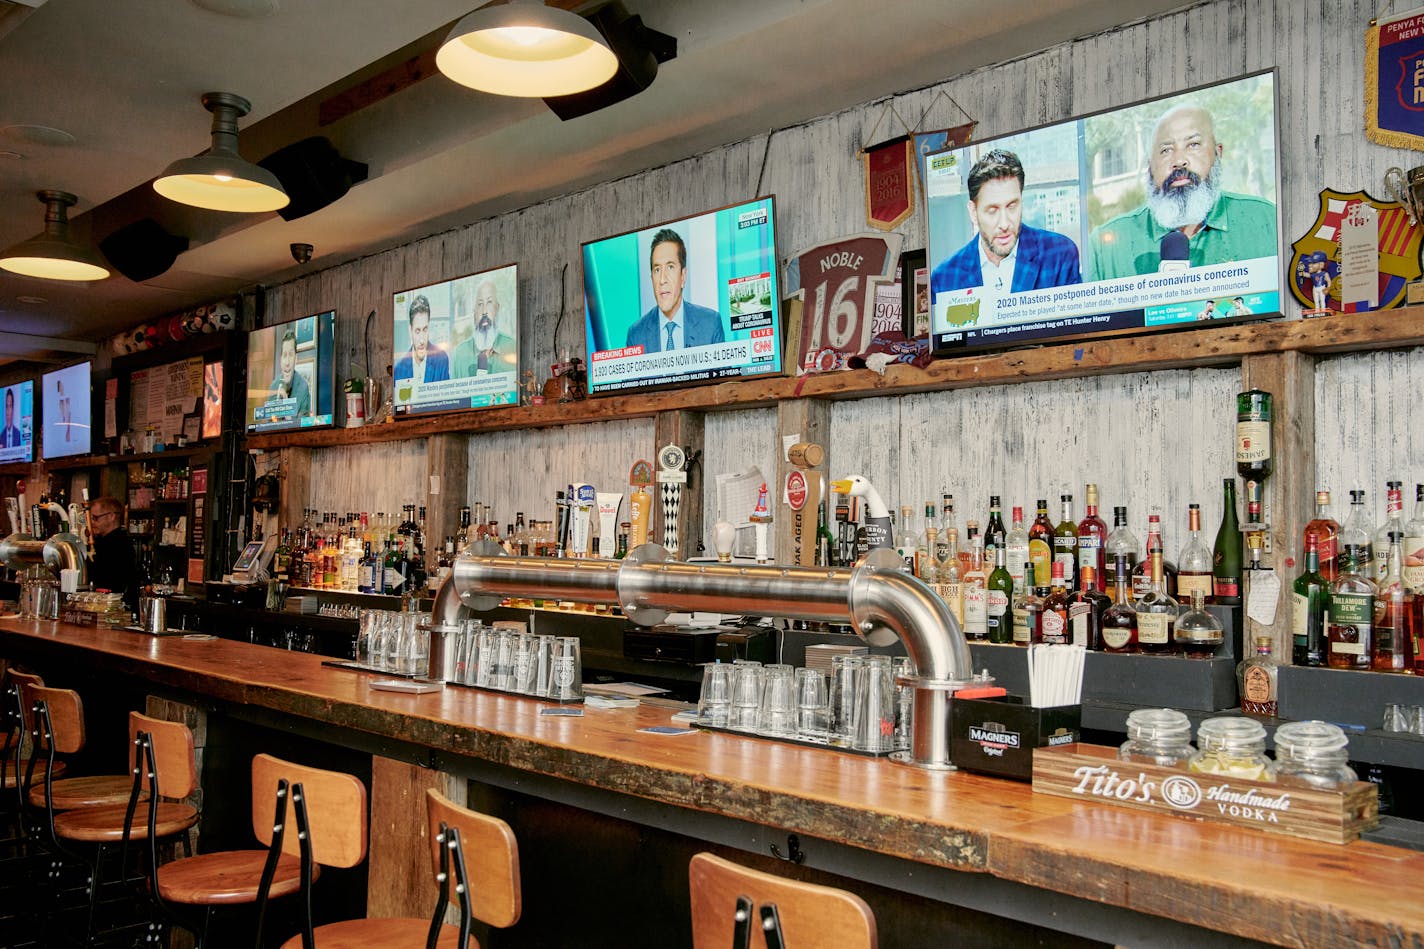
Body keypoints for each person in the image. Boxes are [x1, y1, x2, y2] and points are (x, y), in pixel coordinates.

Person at [1086, 103, 1277, 281]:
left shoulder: (1266, 220)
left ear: (1217, 153)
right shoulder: (1107, 248)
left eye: (1193, 145)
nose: (1179, 161)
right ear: (1150, 165)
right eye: (1166, 150)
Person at [929, 148, 1082, 313]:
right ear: (973, 212)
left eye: (1012, 206)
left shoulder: (1059, 254)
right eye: (993, 210)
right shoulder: (944, 278)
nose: (1004, 223)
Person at [624, 228, 726, 353]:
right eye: (657, 270)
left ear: (683, 276)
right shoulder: (636, 335)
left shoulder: (710, 324)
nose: (662, 280)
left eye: (670, 267)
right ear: (651, 278)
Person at [87, 496, 140, 611]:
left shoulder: (120, 544)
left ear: (111, 516)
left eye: (96, 518)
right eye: (91, 518)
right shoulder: (102, 542)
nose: (92, 522)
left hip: (114, 607)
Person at [452, 280, 516, 376]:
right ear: (474, 311)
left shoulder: (511, 347)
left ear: (497, 308)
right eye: (480, 304)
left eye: (489, 302)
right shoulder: (460, 353)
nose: (484, 311)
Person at [394, 294, 450, 384]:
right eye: (417, 331)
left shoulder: (441, 359)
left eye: (425, 329)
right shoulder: (399, 369)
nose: (421, 340)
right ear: (410, 331)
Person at [266, 328, 311, 418]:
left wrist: (285, 407)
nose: (287, 362)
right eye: (284, 355)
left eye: (290, 355)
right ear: (280, 360)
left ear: (296, 359)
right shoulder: (273, 386)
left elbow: (302, 428)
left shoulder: (303, 388)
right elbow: (269, 424)